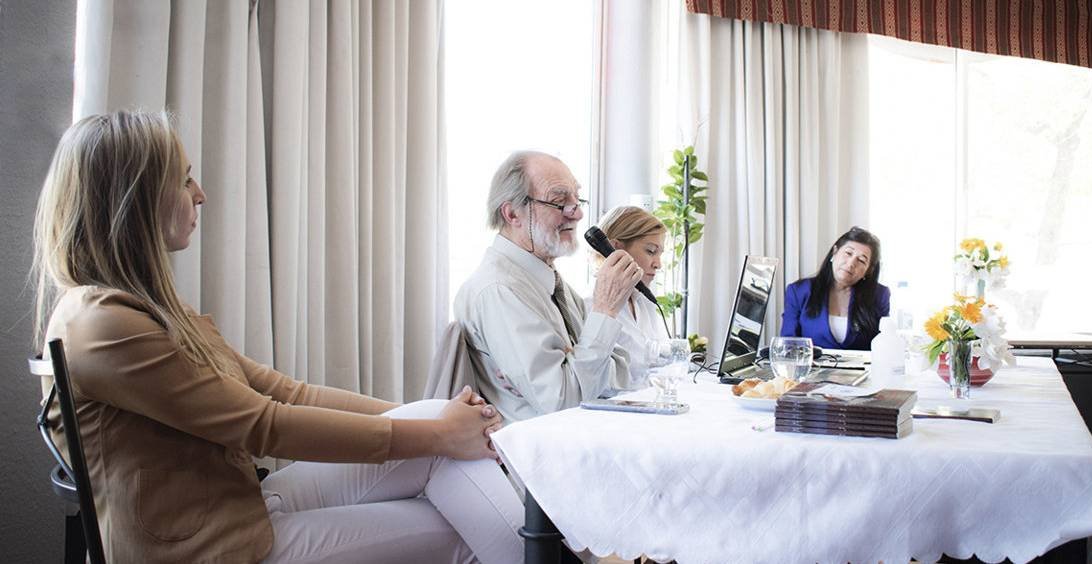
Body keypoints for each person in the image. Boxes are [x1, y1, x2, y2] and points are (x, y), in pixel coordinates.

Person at [31, 110, 524, 563]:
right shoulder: (105, 327)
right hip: (204, 547)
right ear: (134, 200)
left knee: (441, 444)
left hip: (234, 505)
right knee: (463, 527)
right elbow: (264, 425)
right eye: (183, 180)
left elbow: (286, 392)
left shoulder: (140, 307)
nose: (200, 193)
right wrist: (439, 431)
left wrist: (442, 420)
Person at [453, 151, 642, 423]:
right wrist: (604, 312)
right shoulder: (500, 290)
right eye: (559, 202)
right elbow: (563, 402)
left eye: (577, 200)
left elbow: (622, 375)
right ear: (512, 213)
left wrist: (580, 362)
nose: (578, 213)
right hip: (543, 443)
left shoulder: (548, 280)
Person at [588, 205, 670, 388]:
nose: (658, 264)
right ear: (615, 249)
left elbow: (658, 362)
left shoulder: (643, 301)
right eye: (651, 251)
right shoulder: (590, 306)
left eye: (660, 254)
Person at [780, 226, 890, 350]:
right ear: (835, 252)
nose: (851, 263)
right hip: (812, 363)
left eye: (861, 260)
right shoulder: (799, 291)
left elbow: (884, 344)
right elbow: (788, 343)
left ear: (868, 270)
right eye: (848, 253)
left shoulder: (879, 295)